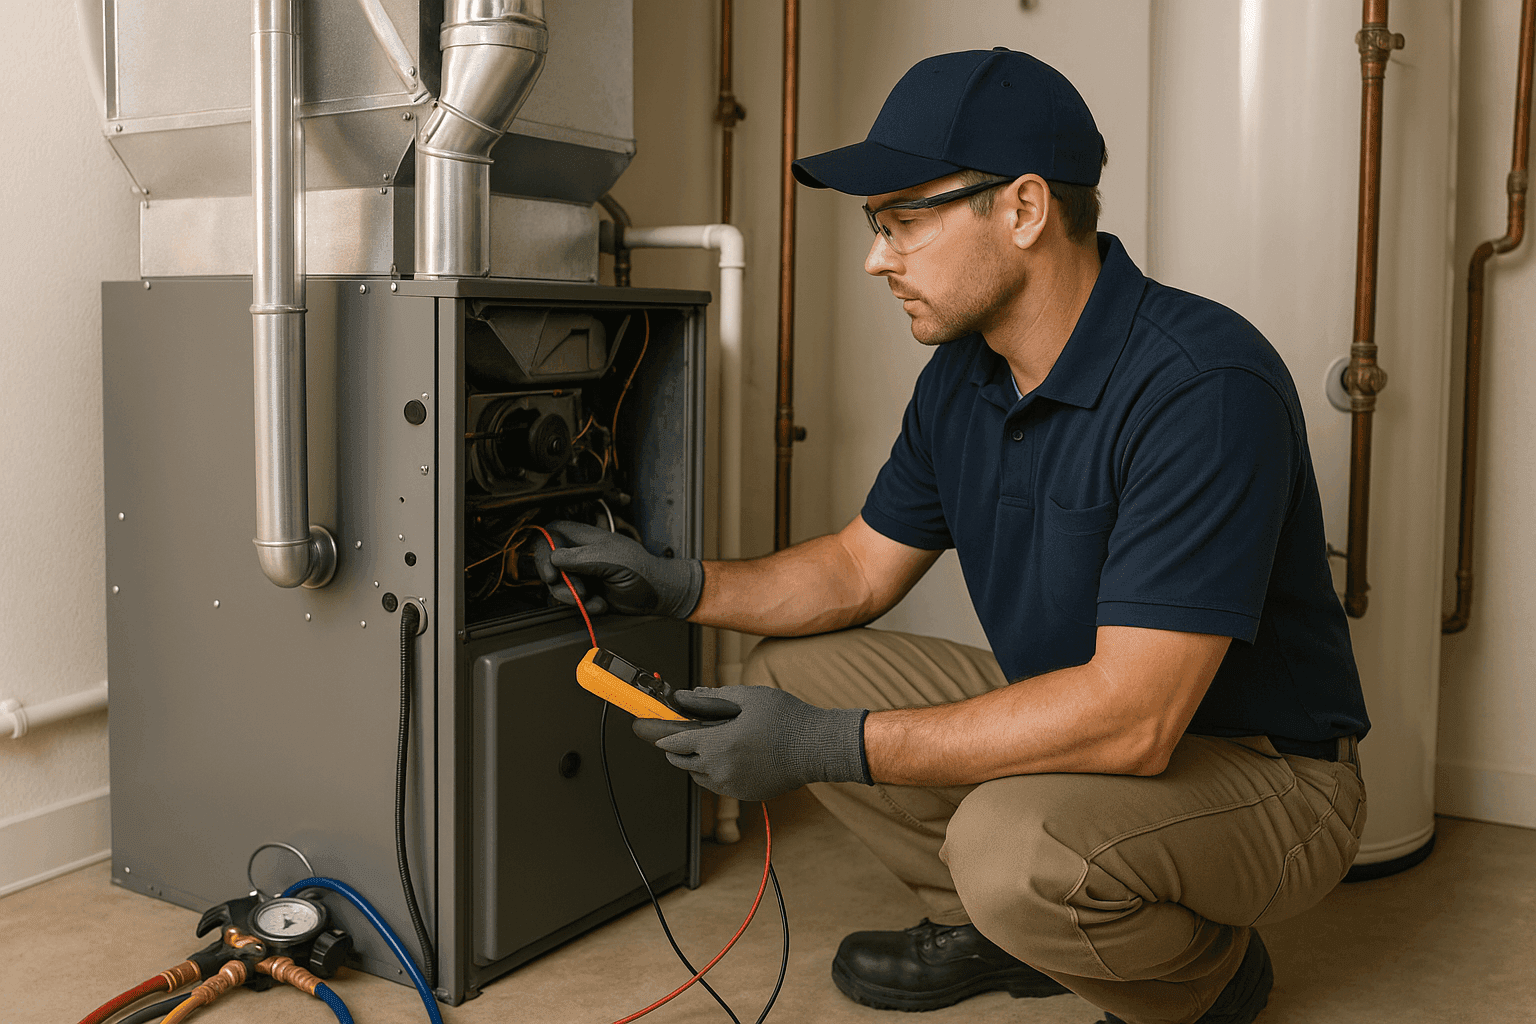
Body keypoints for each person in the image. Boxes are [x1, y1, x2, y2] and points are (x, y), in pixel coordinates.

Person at [536, 48, 1368, 1024]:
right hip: (1089, 721)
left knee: (1011, 847)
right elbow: (856, 566)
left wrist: (825, 747)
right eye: (874, 224)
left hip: (1264, 772)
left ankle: (1207, 980)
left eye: (905, 222)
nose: (876, 257)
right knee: (784, 675)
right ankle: (997, 929)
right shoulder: (963, 378)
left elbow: (1137, 718)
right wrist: (679, 584)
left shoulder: (1203, 388)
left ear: (1021, 210)